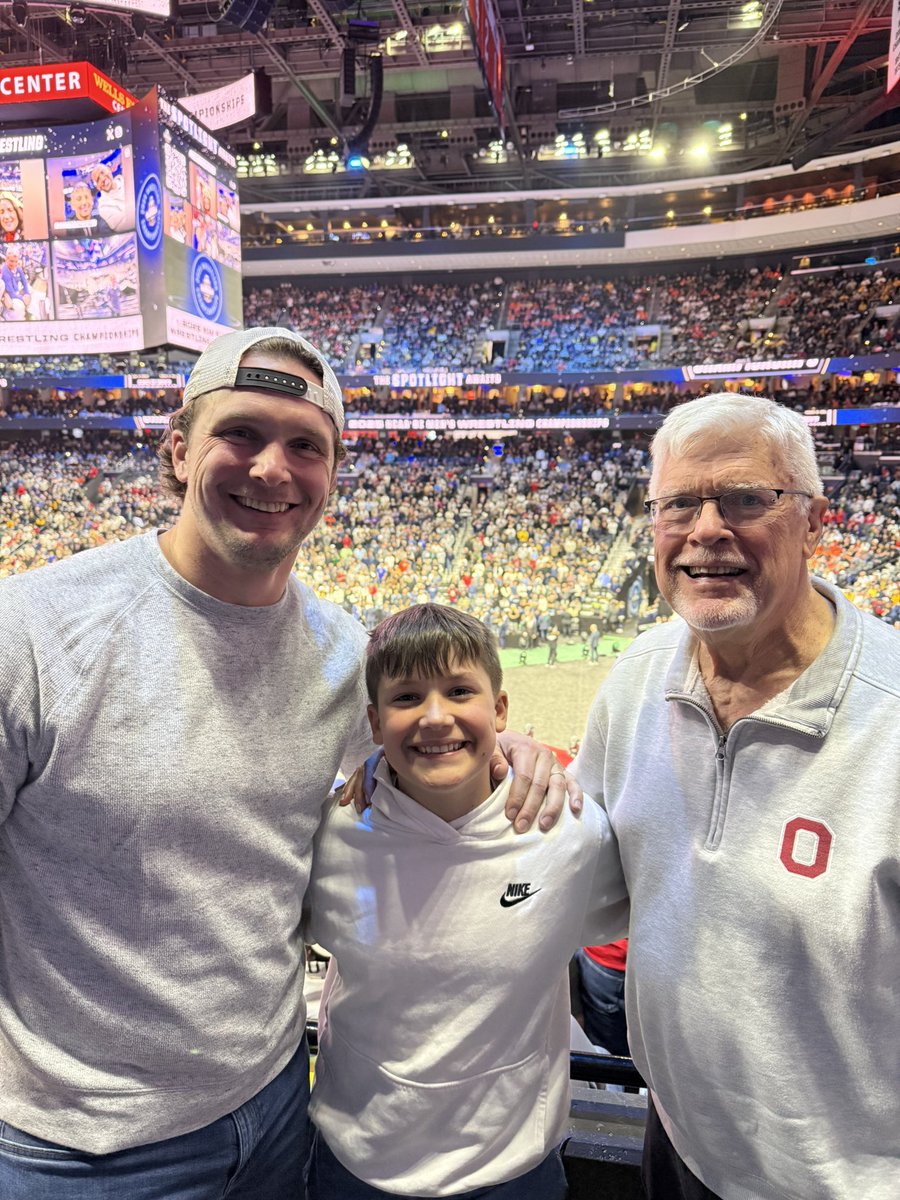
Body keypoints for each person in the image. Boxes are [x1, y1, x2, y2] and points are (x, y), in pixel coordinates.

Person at [0, 327, 570, 1199]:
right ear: (177, 448)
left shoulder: (346, 659)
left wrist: (510, 750)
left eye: (305, 445)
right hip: (80, 1147)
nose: (272, 469)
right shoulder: (31, 632)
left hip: (276, 1111)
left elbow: (426, 779)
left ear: (332, 475)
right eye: (241, 433)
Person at [572, 392, 900, 1200]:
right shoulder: (636, 678)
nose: (707, 529)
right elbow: (590, 881)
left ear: (814, 521)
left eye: (747, 499)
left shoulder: (888, 712)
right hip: (681, 1144)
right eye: (679, 503)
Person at [304, 603, 628, 1199]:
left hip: (513, 1170)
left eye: (459, 691)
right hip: (356, 1162)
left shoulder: (569, 834)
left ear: (500, 710)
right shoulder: (332, 834)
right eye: (407, 698)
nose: (435, 717)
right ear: (374, 723)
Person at [91, 162, 130, 233]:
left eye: (103, 172)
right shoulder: (103, 207)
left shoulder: (128, 179)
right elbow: (123, 227)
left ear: (109, 170)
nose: (103, 178)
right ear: (97, 187)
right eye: (98, 179)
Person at [1, 245, 30, 319]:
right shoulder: (5, 271)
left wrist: (27, 294)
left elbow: (24, 282)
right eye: (11, 261)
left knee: (31, 291)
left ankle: (29, 314)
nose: (14, 264)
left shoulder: (17, 268)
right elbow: (11, 293)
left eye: (16, 261)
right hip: (9, 296)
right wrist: (23, 298)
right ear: (6, 259)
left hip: (17, 292)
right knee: (18, 305)